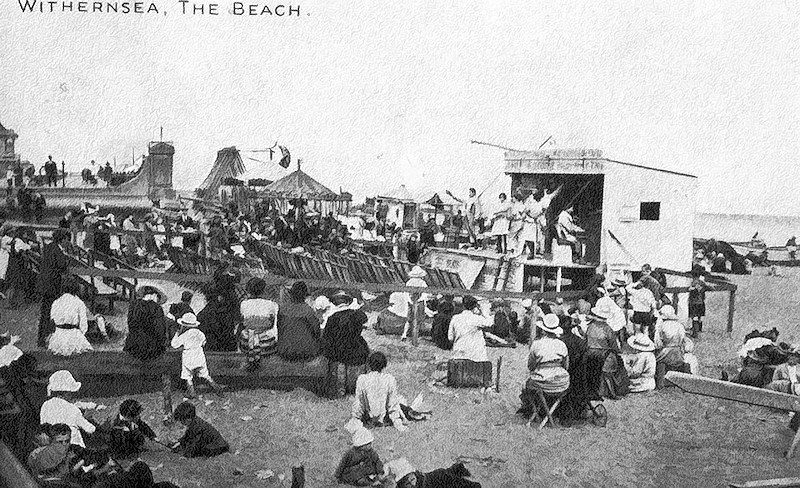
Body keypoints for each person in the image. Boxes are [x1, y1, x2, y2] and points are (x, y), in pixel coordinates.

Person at [518, 314, 570, 420]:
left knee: (528, 385)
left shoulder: (536, 344)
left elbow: (531, 366)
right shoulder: (562, 345)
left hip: (542, 381)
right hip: (561, 382)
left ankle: (534, 411)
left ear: (543, 330)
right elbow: (566, 366)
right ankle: (549, 411)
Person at [322, 291, 369, 397]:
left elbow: (326, 337)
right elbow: (364, 319)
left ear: (334, 303)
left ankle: (340, 388)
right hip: (355, 348)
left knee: (336, 358)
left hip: (338, 350)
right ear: (348, 302)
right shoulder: (356, 315)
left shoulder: (332, 318)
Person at [171, 313, 225, 399]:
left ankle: (192, 392)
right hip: (199, 354)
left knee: (188, 375)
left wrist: (177, 333)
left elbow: (174, 345)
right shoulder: (200, 333)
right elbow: (204, 342)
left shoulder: (185, 335)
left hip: (188, 355)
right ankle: (217, 388)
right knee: (205, 374)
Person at [40, 370, 96, 448]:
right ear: (66, 392)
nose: (72, 395)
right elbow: (89, 429)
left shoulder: (45, 405)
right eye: (71, 392)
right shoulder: (72, 409)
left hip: (52, 448)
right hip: (73, 448)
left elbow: (43, 426)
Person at [351, 352, 406, 431]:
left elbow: (359, 403)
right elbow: (393, 405)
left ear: (369, 364)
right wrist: (398, 423)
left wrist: (355, 418)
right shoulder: (389, 379)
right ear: (384, 365)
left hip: (368, 419)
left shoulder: (362, 379)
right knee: (401, 399)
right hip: (385, 419)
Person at [585, 302, 627, 400]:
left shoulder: (590, 326)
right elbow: (613, 344)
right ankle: (612, 392)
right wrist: (618, 352)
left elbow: (586, 340)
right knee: (613, 366)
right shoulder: (607, 328)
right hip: (603, 353)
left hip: (590, 352)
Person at [36, 228, 71, 347]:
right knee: (49, 312)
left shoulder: (49, 247)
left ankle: (43, 337)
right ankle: (46, 338)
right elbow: (62, 266)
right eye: (67, 240)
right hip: (52, 285)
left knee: (45, 312)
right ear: (63, 239)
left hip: (45, 284)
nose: (68, 242)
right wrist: (66, 258)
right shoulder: (58, 250)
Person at [47, 279, 97, 356]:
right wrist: (81, 335)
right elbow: (83, 324)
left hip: (59, 336)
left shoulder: (56, 302)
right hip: (74, 335)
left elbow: (52, 319)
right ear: (76, 290)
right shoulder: (79, 303)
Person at [276, 281, 322, 360]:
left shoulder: (283, 309)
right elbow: (316, 330)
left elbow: (279, 328)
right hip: (307, 352)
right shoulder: (308, 310)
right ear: (304, 296)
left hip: (285, 351)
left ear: (291, 295)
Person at [238, 277, 279, 367]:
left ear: (249, 290)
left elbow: (242, 322)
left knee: (245, 332)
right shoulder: (271, 304)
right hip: (267, 345)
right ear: (263, 290)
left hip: (247, 344)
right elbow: (273, 325)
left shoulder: (243, 304)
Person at [124, 285, 168, 361]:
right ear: (154, 295)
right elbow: (160, 329)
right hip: (150, 347)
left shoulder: (133, 305)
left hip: (133, 344)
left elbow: (130, 324)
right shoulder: (157, 308)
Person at [384, 457, 481, 488]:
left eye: (412, 479)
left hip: (439, 479)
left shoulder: (420, 480)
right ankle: (456, 468)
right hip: (437, 476)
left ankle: (457, 469)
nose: (411, 483)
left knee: (458, 483)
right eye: (407, 484)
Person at [448, 295, 489, 362]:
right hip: (476, 356)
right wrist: (482, 310)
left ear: (463, 305)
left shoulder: (455, 318)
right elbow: (489, 323)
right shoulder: (477, 319)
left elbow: (450, 338)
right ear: (475, 307)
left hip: (458, 354)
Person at [688, 270, 710, 338]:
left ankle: (695, 333)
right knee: (700, 317)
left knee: (694, 317)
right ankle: (699, 330)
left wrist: (693, 288)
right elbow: (708, 287)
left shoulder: (693, 282)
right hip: (701, 302)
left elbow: (690, 289)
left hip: (694, 302)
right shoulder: (701, 282)